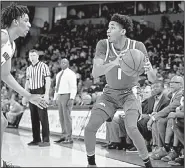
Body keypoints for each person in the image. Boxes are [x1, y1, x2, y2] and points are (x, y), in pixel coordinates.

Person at [84, 13, 156, 168]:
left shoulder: (138, 47)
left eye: (112, 27)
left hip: (130, 93)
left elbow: (153, 79)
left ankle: (148, 164)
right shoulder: (103, 45)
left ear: (123, 31)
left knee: (131, 127)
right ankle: (91, 164)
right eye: (108, 27)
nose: (108, 30)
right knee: (90, 127)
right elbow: (95, 73)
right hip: (109, 93)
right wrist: (115, 62)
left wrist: (150, 70)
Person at [1, 3, 48, 167]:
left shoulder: (11, 45)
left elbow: (5, 75)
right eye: (26, 20)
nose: (29, 24)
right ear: (15, 22)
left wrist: (28, 95)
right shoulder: (3, 36)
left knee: (2, 122)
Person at [23, 49, 51, 147]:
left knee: (43, 117)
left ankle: (46, 140)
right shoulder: (28, 68)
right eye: (31, 56)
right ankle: (36, 139)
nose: (32, 57)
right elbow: (27, 82)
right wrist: (25, 95)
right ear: (29, 58)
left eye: (34, 55)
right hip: (32, 92)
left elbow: (48, 80)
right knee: (33, 117)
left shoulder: (43, 66)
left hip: (41, 91)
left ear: (38, 56)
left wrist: (46, 94)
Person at [53, 58, 77, 144]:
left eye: (65, 62)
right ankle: (63, 135)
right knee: (61, 117)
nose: (63, 63)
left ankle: (69, 137)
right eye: (61, 62)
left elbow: (73, 87)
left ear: (68, 64)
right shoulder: (59, 74)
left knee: (67, 117)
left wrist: (71, 98)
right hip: (60, 95)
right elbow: (57, 87)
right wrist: (55, 98)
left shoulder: (71, 74)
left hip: (67, 95)